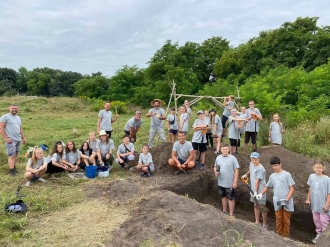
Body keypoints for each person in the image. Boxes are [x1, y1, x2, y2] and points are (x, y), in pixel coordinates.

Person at [256, 156, 295, 237]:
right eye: (273, 166)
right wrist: (260, 193)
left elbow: (292, 188)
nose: (275, 167)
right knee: (278, 219)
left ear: (280, 164)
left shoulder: (286, 174)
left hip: (286, 201)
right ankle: (279, 236)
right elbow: (267, 186)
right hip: (277, 200)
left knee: (286, 220)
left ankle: (286, 236)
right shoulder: (272, 176)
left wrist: (287, 199)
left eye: (276, 165)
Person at [305, 161, 330, 244]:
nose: (318, 169)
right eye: (316, 167)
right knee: (317, 221)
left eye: (320, 167)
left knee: (324, 222)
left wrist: (327, 205)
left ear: (323, 168)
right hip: (314, 204)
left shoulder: (327, 179)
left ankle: (325, 239)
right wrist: (308, 199)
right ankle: (319, 235)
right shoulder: (311, 176)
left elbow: (329, 193)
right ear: (313, 168)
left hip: (323, 205)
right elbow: (310, 188)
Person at [241, 152, 268, 228]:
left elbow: (258, 181)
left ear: (259, 159)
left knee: (262, 206)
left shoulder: (260, 168)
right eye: (252, 159)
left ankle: (265, 224)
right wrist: (246, 174)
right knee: (255, 204)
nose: (254, 161)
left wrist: (256, 191)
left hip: (260, 190)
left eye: (256, 160)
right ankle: (257, 221)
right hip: (253, 188)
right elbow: (250, 169)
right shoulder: (251, 164)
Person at [0, 104, 26, 176]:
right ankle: (11, 171)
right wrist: (6, 138)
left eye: (16, 108)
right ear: (9, 109)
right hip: (11, 140)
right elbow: (1, 128)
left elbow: (20, 128)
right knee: (12, 155)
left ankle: (14, 168)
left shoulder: (18, 117)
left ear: (17, 109)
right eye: (13, 108)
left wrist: (23, 137)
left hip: (18, 139)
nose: (14, 109)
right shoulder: (5, 117)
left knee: (16, 154)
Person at [214, 144, 239, 216]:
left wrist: (235, 182)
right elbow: (215, 167)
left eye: (226, 149)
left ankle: (231, 214)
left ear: (229, 150)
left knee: (230, 198)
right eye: (223, 149)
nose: (225, 150)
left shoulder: (233, 158)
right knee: (223, 196)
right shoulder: (218, 157)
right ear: (220, 150)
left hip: (230, 182)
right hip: (221, 182)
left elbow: (236, 170)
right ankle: (224, 211)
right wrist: (215, 171)